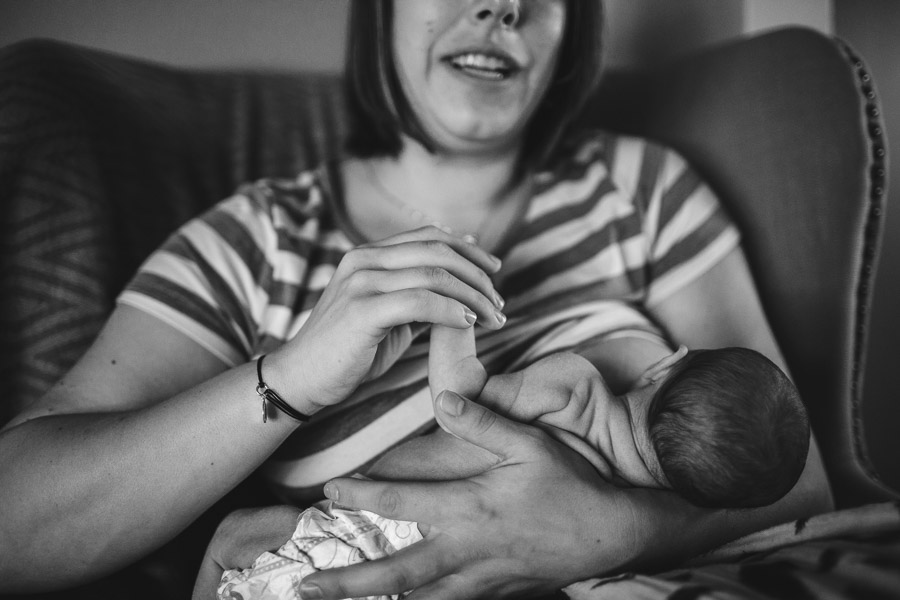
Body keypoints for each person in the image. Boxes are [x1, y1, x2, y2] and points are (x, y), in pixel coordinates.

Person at [0, 0, 832, 598]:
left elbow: (798, 486)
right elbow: (15, 532)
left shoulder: (643, 191)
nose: (503, 7)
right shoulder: (256, 239)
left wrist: (603, 531)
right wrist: (288, 379)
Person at [200, 321, 810, 600]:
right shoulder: (656, 510)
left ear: (663, 365)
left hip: (365, 531)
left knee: (232, 539)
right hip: (444, 582)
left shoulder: (574, 388)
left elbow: (456, 397)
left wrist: (453, 316)